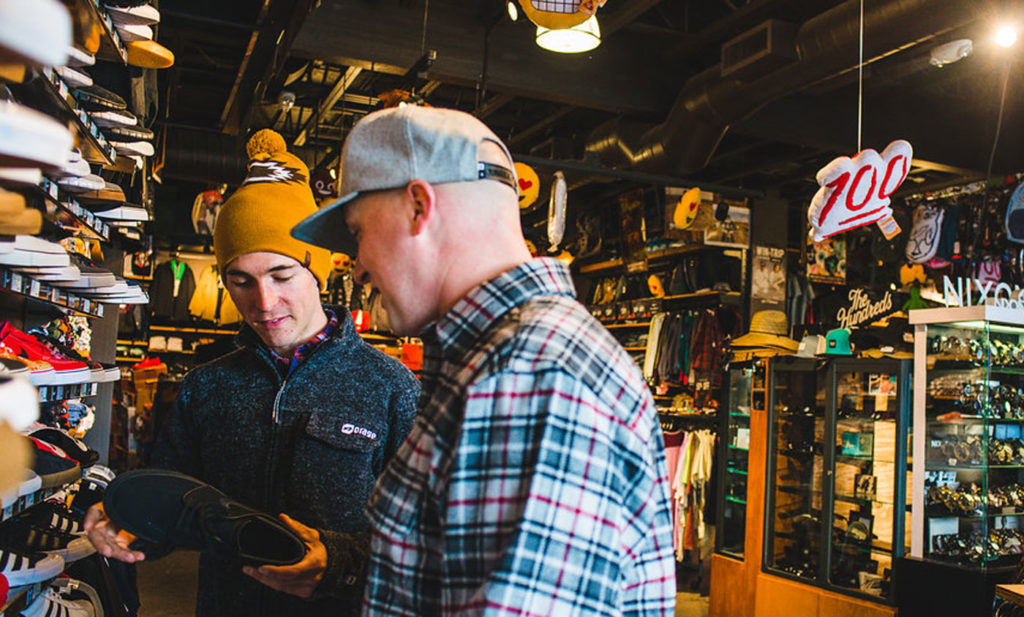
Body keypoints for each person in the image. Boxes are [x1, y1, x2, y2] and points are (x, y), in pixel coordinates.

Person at [292, 106, 676, 616]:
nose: (357, 269)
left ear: (417, 206)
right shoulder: (500, 362)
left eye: (358, 232)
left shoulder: (528, 374)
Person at [84, 129, 420, 617]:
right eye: (240, 281)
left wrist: (343, 563)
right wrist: (132, 523)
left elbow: (430, 534)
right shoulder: (207, 385)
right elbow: (177, 506)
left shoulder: (391, 387)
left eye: (282, 277)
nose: (264, 303)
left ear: (319, 271)